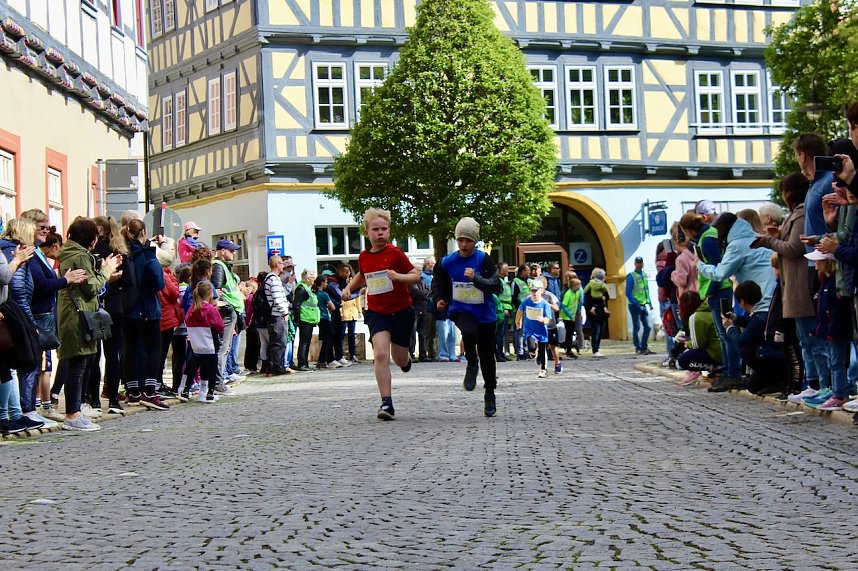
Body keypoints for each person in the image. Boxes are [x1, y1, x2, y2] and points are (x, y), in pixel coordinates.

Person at [341, 208, 420, 420]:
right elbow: (362, 275)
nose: (380, 233)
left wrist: (398, 276)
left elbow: (416, 276)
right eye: (375, 229)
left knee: (400, 358)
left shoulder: (396, 254)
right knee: (381, 354)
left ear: (389, 231)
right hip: (377, 311)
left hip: (401, 310)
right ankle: (386, 403)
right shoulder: (364, 256)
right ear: (367, 232)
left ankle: (405, 361)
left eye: (384, 229)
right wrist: (350, 288)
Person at [432, 217, 502, 417]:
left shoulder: (483, 260)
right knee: (469, 333)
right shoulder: (447, 261)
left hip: (485, 313)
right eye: (460, 239)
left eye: (468, 240)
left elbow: (497, 286)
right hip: (461, 310)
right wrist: (440, 298)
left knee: (488, 355)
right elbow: (439, 281)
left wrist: (476, 279)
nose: (464, 244)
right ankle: (471, 362)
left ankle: (489, 392)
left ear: (475, 241)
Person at [56, 218, 121, 431]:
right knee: (78, 364)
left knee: (79, 362)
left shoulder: (70, 253)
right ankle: (73, 414)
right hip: (78, 314)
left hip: (74, 312)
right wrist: (107, 271)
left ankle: (75, 410)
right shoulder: (79, 256)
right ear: (90, 239)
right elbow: (91, 287)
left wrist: (102, 271)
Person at [120, 219, 170, 410]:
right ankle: (150, 391)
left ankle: (132, 392)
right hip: (147, 307)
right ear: (144, 232)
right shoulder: (147, 254)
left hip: (128, 308)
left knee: (130, 350)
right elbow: (159, 282)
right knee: (153, 350)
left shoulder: (125, 253)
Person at [211, 239, 244, 391]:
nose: (234, 252)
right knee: (222, 349)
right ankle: (218, 382)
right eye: (231, 250)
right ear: (222, 251)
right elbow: (216, 291)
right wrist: (228, 305)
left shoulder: (223, 266)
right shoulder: (218, 266)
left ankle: (218, 381)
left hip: (230, 312)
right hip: (226, 313)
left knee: (225, 348)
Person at [184, 281, 224, 403]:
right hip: (210, 343)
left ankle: (186, 390)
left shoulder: (192, 309)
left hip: (197, 344)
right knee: (211, 368)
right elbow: (220, 326)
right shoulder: (210, 309)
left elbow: (187, 321)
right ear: (210, 293)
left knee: (193, 367)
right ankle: (210, 393)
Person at [675, 290, 722, 386]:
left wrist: (687, 343)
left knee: (682, 361)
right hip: (722, 350)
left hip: (714, 353)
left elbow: (697, 344)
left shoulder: (696, 317)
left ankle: (716, 368)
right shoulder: (711, 310)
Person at [516, 281, 553, 378]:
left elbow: (548, 318)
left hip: (541, 331)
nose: (535, 293)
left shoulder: (545, 304)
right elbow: (520, 311)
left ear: (541, 291)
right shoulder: (526, 302)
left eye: (536, 291)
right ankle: (533, 351)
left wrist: (543, 320)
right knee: (531, 348)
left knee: (542, 350)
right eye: (533, 291)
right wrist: (518, 321)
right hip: (530, 329)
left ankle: (543, 369)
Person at [262, 256, 291, 376]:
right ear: (276, 264)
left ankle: (272, 367)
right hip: (277, 315)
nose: (283, 266)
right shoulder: (273, 280)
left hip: (275, 315)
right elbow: (278, 298)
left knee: (276, 342)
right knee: (279, 342)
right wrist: (284, 312)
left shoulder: (272, 279)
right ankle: (276, 367)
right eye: (281, 263)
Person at [292, 269, 320, 371]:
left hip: (309, 318)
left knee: (307, 341)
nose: (314, 279)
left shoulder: (307, 288)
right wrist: (297, 319)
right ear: (307, 279)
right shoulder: (301, 289)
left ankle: (305, 363)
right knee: (304, 342)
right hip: (304, 319)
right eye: (312, 277)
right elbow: (297, 305)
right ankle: (302, 363)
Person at [626, 256, 653, 355]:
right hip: (634, 305)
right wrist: (635, 302)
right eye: (638, 262)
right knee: (636, 327)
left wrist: (649, 302)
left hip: (643, 304)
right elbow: (627, 292)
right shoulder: (631, 276)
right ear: (635, 264)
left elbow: (646, 290)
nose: (639, 264)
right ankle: (638, 348)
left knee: (648, 326)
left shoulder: (644, 275)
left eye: (641, 262)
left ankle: (644, 346)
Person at [583, 268, 610, 357]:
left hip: (593, 311)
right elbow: (607, 297)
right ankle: (595, 349)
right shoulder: (603, 286)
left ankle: (596, 349)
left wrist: (590, 308)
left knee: (597, 330)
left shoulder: (589, 286)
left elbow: (586, 298)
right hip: (601, 311)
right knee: (598, 330)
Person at [408, 264, 432, 363]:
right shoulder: (410, 281)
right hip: (414, 309)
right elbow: (417, 293)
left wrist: (424, 293)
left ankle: (423, 354)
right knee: (412, 334)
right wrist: (425, 293)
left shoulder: (421, 280)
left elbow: (429, 291)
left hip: (423, 308)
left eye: (420, 270)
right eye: (418, 270)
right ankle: (411, 354)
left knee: (423, 333)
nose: (420, 272)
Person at [495, 262, 515, 361]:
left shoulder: (503, 281)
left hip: (507, 309)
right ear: (501, 270)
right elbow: (497, 298)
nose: (508, 271)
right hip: (501, 311)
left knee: (502, 334)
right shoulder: (498, 281)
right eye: (506, 269)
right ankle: (497, 354)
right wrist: (503, 309)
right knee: (499, 334)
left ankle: (501, 353)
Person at [560, 272, 583, 359]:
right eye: (577, 286)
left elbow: (578, 302)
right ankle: (568, 350)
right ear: (573, 286)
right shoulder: (568, 294)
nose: (579, 287)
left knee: (571, 333)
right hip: (567, 317)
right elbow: (564, 306)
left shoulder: (577, 293)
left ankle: (569, 349)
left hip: (573, 316)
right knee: (569, 334)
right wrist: (570, 316)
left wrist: (578, 311)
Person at [511, 264, 531, 360]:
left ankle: (526, 351)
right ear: (522, 271)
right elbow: (514, 297)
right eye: (527, 270)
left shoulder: (526, 282)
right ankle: (520, 353)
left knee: (525, 331)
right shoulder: (515, 282)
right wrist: (520, 309)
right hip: (519, 310)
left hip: (528, 310)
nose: (529, 272)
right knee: (519, 332)